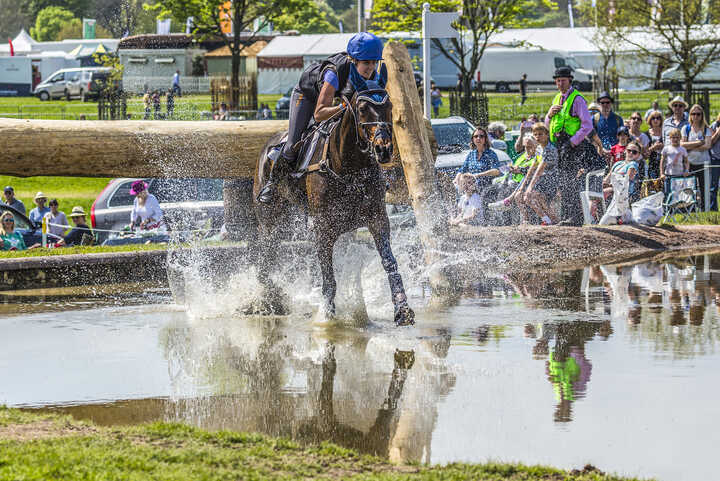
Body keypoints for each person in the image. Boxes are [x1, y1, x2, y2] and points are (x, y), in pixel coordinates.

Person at [257, 32, 386, 203]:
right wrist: (343, 107)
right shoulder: (334, 73)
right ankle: (272, 183)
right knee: (292, 145)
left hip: (337, 103)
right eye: (366, 63)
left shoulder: (374, 77)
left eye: (374, 62)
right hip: (308, 97)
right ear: (353, 60)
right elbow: (319, 113)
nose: (370, 68)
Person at [545, 66, 598, 226]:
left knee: (570, 180)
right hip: (560, 144)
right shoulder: (556, 99)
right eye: (558, 81)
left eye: (563, 80)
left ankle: (575, 217)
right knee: (563, 181)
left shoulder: (577, 99)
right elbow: (548, 125)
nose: (560, 83)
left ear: (570, 80)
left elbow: (587, 126)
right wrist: (549, 115)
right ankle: (567, 215)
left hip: (573, 145)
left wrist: (572, 142)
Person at [524, 122, 560, 225]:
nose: (537, 137)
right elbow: (533, 166)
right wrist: (524, 185)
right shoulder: (539, 148)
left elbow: (540, 169)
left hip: (551, 179)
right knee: (527, 198)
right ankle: (547, 220)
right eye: (535, 134)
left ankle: (554, 221)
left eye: (540, 134)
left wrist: (529, 187)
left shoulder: (550, 149)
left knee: (538, 199)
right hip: (542, 179)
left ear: (547, 135)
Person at [681, 103, 712, 209]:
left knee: (704, 188)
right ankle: (690, 209)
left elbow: (708, 145)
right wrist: (699, 142)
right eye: (693, 114)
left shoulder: (706, 129)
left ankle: (704, 209)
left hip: (704, 163)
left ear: (702, 115)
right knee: (689, 188)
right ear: (690, 115)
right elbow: (682, 145)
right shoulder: (686, 128)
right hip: (689, 163)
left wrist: (691, 146)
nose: (696, 116)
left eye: (698, 114)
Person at [453, 126, 501, 191]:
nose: (478, 138)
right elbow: (462, 169)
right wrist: (456, 179)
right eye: (476, 136)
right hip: (470, 186)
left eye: (481, 136)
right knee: (455, 187)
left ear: (485, 139)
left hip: (486, 188)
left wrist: (477, 175)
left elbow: (496, 171)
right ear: (473, 139)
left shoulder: (490, 154)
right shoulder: (471, 154)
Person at [659, 128, 690, 195]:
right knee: (668, 193)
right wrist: (661, 173)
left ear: (680, 138)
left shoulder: (683, 149)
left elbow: (686, 162)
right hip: (668, 175)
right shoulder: (666, 148)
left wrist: (687, 170)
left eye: (677, 137)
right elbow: (662, 161)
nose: (675, 139)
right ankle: (667, 205)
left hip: (679, 175)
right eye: (673, 137)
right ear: (670, 138)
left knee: (678, 193)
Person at [641, 111, 664, 180]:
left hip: (664, 164)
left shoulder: (665, 132)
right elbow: (645, 155)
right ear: (650, 120)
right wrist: (653, 148)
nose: (655, 120)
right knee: (653, 187)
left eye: (658, 118)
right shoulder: (646, 134)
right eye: (653, 118)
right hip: (652, 165)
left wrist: (663, 146)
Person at [708, 112, 720, 210]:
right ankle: (713, 208)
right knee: (713, 186)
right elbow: (710, 143)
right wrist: (718, 132)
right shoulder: (714, 125)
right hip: (715, 159)